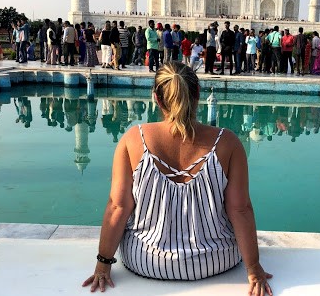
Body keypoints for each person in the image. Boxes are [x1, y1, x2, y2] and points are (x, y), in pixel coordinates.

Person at [82, 62, 273, 294]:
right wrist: (253, 268)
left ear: (157, 99)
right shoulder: (228, 143)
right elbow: (240, 209)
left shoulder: (133, 140)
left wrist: (103, 264)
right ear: (198, 94)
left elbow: (118, 206)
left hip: (146, 261)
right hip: (216, 259)